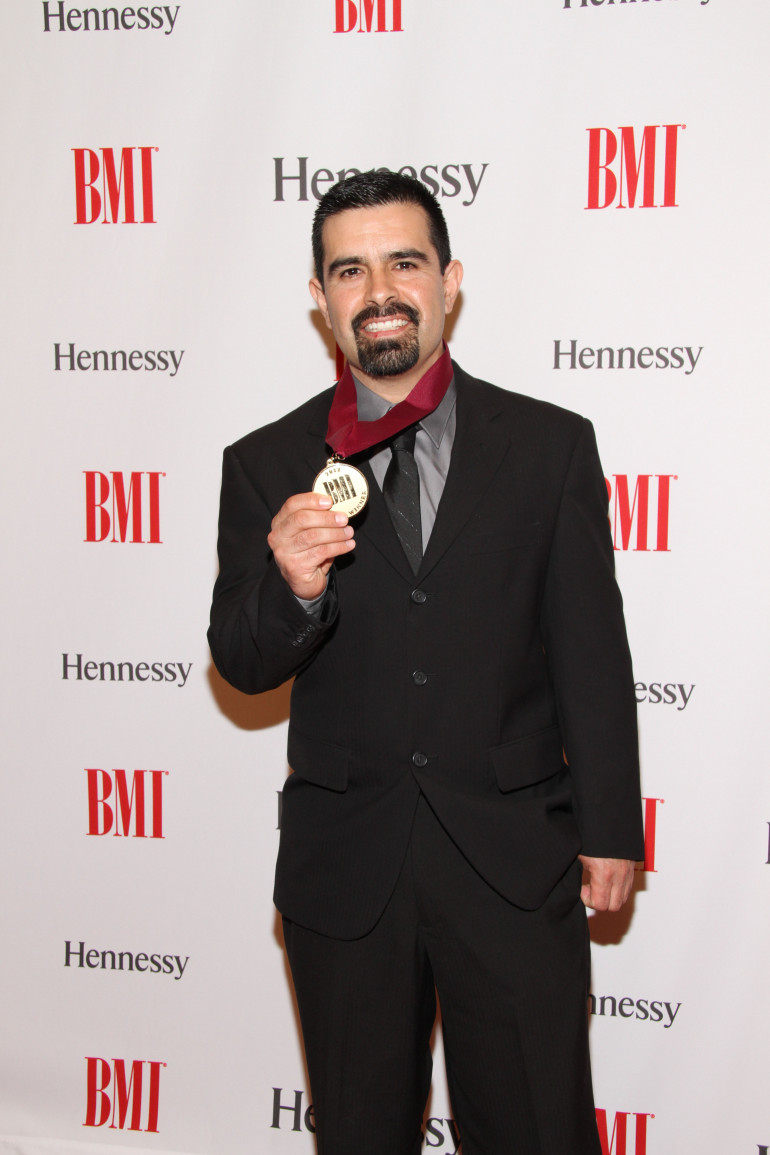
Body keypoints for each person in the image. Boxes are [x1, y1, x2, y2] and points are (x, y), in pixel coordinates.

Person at [208, 170, 644, 1155]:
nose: (379, 291)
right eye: (349, 271)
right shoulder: (265, 462)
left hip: (512, 859)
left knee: (538, 1130)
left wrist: (611, 826)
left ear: (448, 281)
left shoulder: (550, 447)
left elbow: (590, 652)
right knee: (359, 1135)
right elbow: (240, 662)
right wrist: (293, 588)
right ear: (320, 298)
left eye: (403, 263)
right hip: (344, 869)